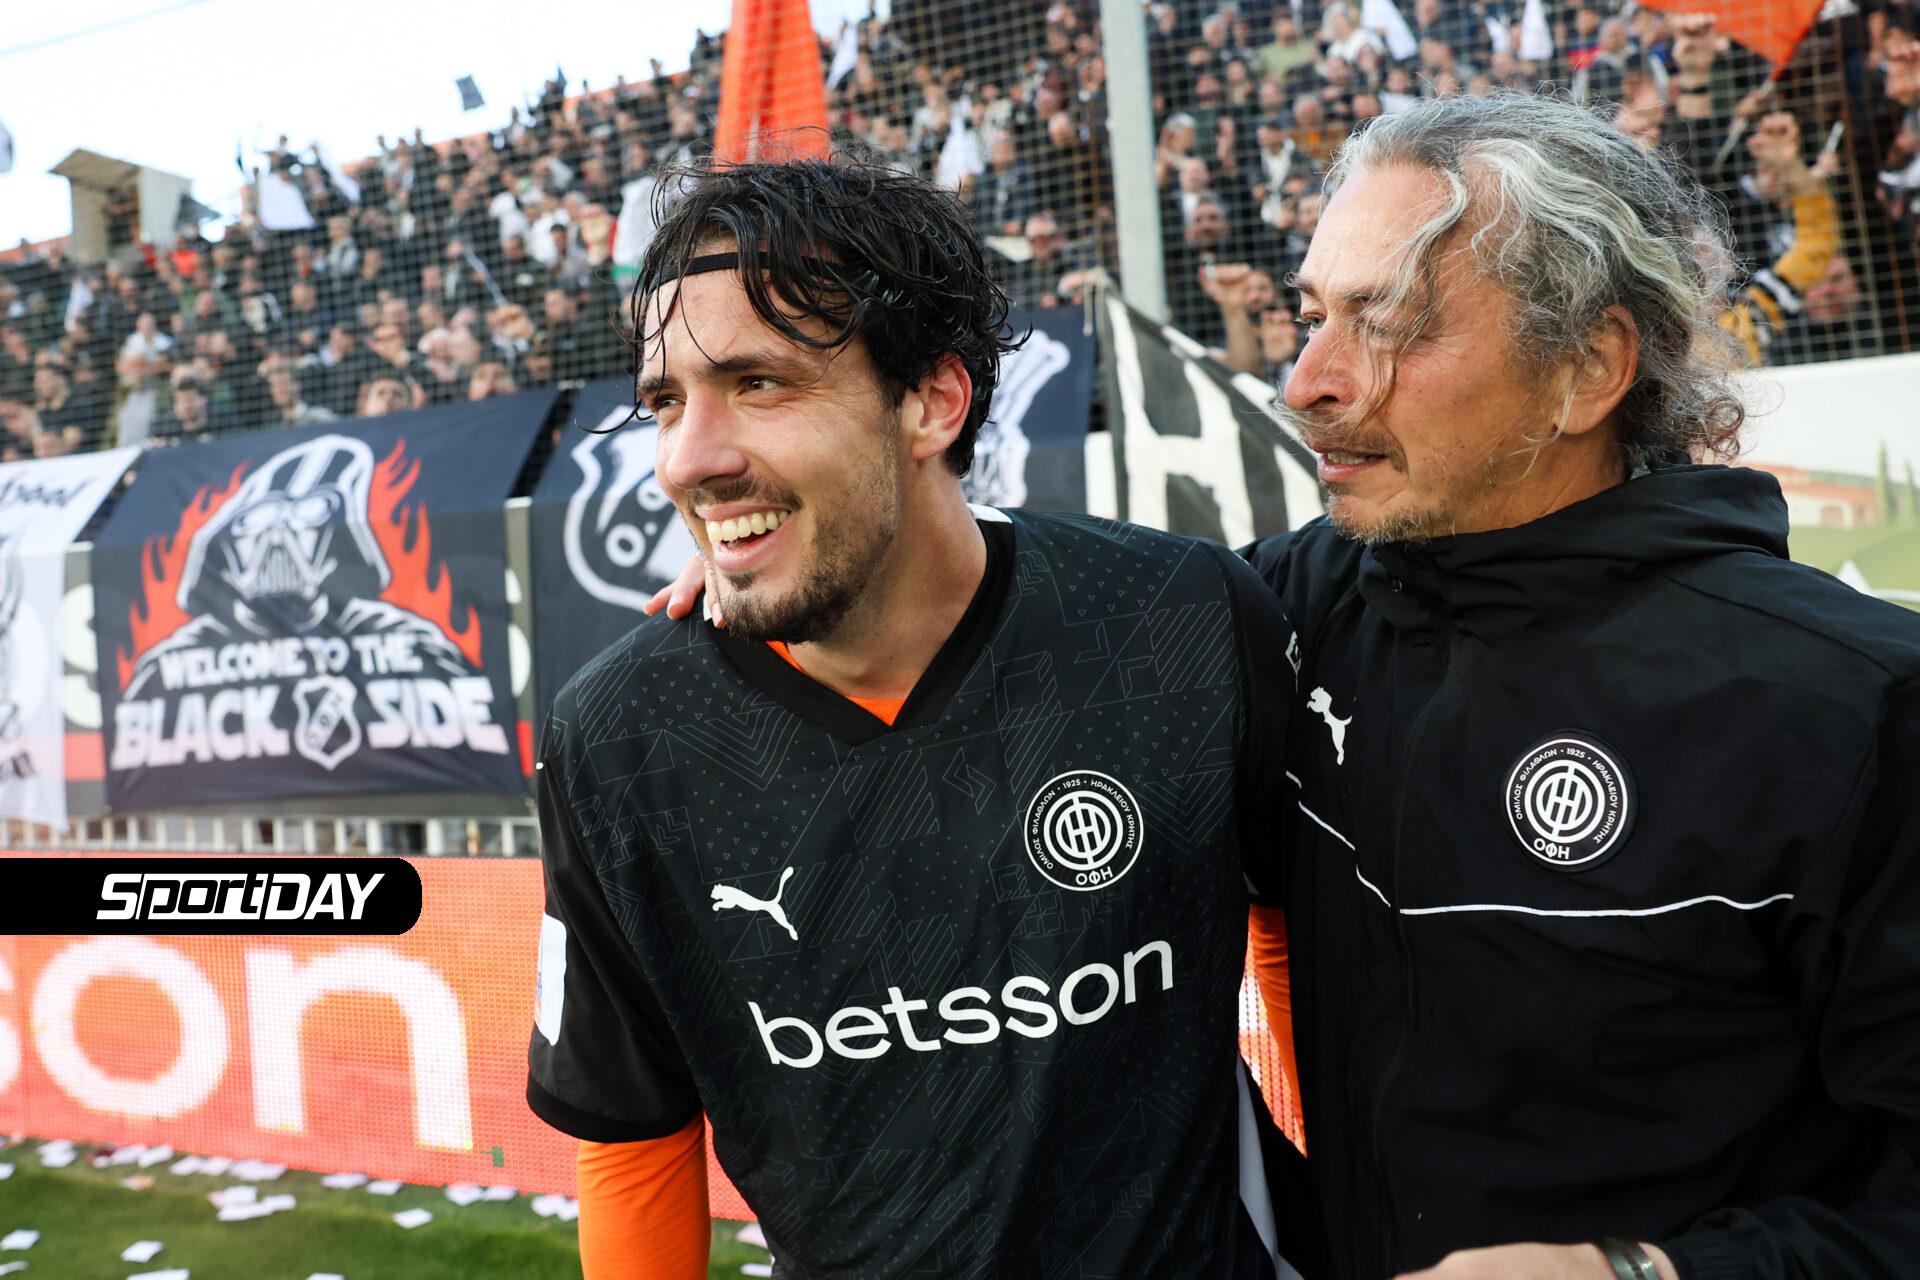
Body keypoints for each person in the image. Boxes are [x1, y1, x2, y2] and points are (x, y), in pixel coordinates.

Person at [526, 155, 1313, 1280]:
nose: (688, 458)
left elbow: (1291, 938)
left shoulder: (1176, 618)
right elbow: (632, 1132)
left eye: (759, 382)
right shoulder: (619, 734)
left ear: (932, 401)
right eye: (666, 401)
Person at [1251, 91, 1920, 1279]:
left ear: (1589, 366)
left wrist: (1632, 1271)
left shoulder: (1854, 706)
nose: (1308, 380)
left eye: (1387, 324)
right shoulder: (1286, 614)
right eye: (1310, 317)